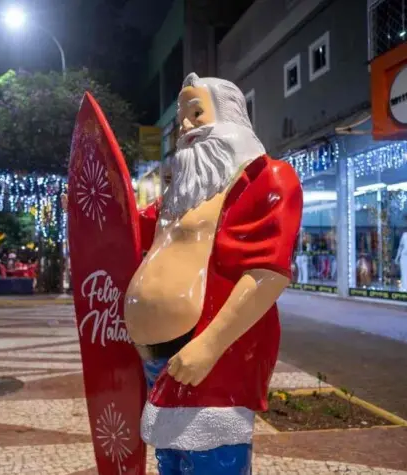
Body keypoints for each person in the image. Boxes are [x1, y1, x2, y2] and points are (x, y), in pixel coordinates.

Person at [127, 73, 301, 474]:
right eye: (181, 120)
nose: (186, 127)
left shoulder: (268, 178)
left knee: (212, 457)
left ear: (229, 117)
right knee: (170, 458)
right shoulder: (178, 199)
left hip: (211, 352)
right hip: (156, 355)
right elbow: (129, 227)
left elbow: (267, 272)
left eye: (197, 113)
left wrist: (209, 345)